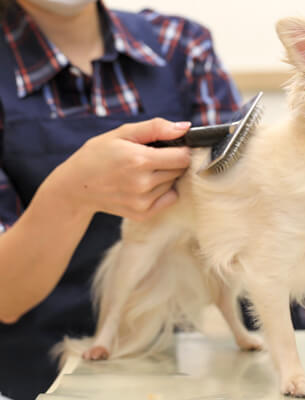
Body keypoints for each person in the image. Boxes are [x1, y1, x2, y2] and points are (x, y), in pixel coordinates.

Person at [0, 0, 241, 398]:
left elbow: (237, 200)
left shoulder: (182, 45)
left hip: (173, 366)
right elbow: (5, 296)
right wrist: (72, 193)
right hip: (30, 371)